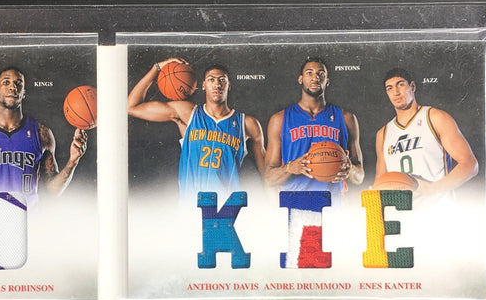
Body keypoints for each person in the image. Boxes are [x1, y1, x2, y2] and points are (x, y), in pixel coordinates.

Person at [127, 59, 266, 201]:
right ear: (203, 85)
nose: (217, 84)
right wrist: (157, 67)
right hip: (192, 206)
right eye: (211, 80)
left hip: (227, 207)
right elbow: (131, 107)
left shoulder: (247, 123)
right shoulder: (188, 113)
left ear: (229, 85)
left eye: (222, 80)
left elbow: (267, 175)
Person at [0, 66, 87, 203]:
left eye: (18, 84)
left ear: (23, 92)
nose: (12, 87)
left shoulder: (42, 134)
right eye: (6, 82)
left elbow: (51, 191)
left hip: (27, 214)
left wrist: (72, 161)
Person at [265, 57, 364, 196]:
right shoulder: (279, 119)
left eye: (321, 74)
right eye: (309, 73)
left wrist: (350, 169)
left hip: (333, 200)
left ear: (327, 81)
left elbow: (359, 177)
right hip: (295, 200)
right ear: (300, 79)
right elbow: (269, 178)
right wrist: (289, 168)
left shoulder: (346, 118)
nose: (315, 77)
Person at [375, 68, 478, 197]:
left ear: (412, 86)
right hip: (403, 208)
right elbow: (380, 180)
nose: (395, 92)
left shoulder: (435, 117)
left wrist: (433, 189)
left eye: (400, 84)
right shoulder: (383, 134)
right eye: (389, 88)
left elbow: (470, 164)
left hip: (437, 206)